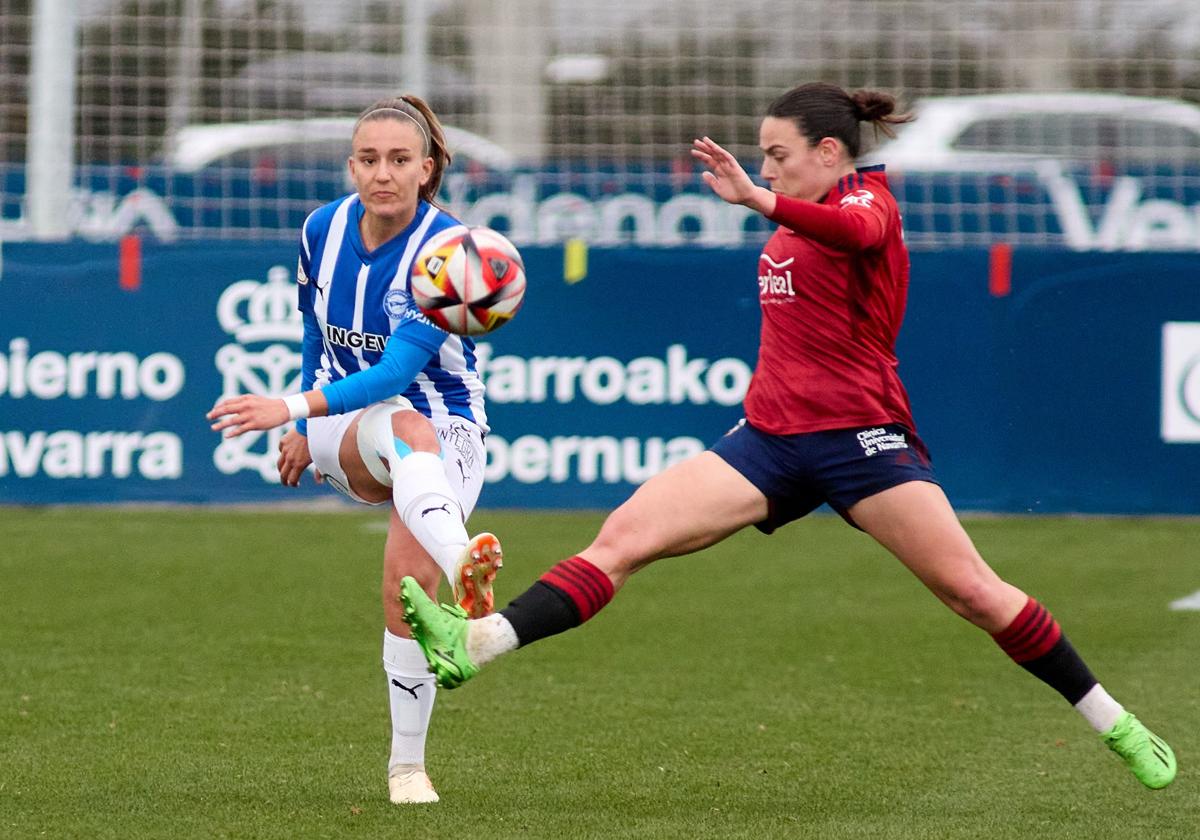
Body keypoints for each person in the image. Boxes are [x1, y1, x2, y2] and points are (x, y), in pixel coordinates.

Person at [397, 82, 1176, 791]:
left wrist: (757, 201)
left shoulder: (871, 203)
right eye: (762, 159)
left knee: (972, 592)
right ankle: (478, 644)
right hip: (767, 441)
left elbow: (855, 234)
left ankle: (1116, 722)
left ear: (828, 153)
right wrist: (764, 203)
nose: (765, 170)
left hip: (862, 442)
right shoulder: (797, 210)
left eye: (777, 155)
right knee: (623, 538)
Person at [207, 94, 502, 805]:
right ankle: (465, 560)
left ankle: (407, 768)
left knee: (407, 589)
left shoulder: (449, 253)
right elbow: (316, 333)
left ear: (427, 169)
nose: (383, 174)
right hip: (352, 428)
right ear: (351, 165)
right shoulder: (321, 228)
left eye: (400, 160)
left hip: (450, 428)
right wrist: (306, 425)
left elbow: (401, 371)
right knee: (405, 430)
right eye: (369, 159)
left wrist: (290, 407)